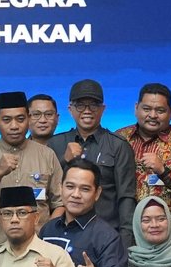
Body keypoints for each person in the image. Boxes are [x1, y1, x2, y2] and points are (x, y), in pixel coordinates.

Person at [0, 91, 63, 251]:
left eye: (20, 119)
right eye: (6, 120)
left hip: (39, 251)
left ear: (28, 119)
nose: (14, 126)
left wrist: (45, 234)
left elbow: (60, 204)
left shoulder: (47, 155)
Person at [49, 79, 136, 239]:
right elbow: (48, 191)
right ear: (70, 109)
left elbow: (126, 197)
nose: (87, 111)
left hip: (106, 236)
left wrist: (125, 241)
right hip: (63, 236)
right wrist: (63, 160)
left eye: (94, 105)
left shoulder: (118, 145)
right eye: (80, 105)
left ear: (102, 109)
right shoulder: (55, 144)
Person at [115, 84, 171, 230]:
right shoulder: (119, 139)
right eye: (147, 109)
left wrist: (164, 172)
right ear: (136, 108)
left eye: (160, 110)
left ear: (170, 112)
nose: (153, 115)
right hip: (122, 232)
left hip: (166, 236)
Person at [27, 93, 61, 158]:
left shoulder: (67, 148)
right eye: (36, 114)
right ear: (27, 119)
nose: (43, 120)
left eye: (48, 114)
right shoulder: (16, 152)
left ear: (57, 119)